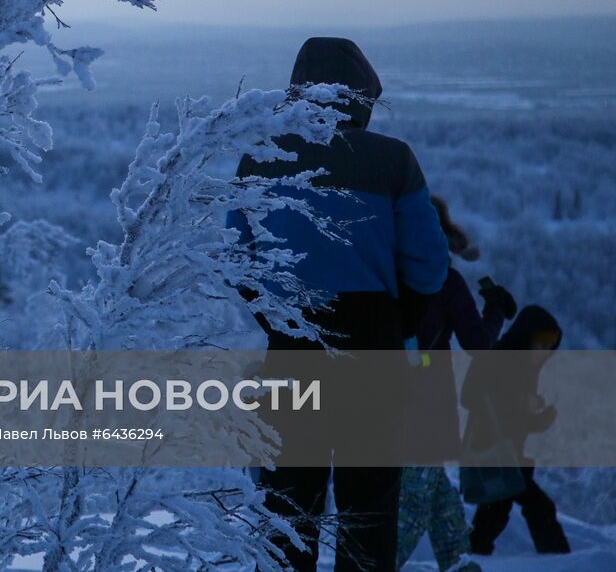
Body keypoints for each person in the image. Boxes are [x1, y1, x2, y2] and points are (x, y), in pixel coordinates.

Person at [233, 37, 452, 572]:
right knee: (367, 510)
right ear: (364, 96)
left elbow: (237, 259)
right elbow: (429, 265)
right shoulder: (393, 161)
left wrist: (274, 310)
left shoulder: (261, 158)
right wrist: (402, 316)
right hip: (375, 351)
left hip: (292, 348)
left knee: (288, 507)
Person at [395, 196, 515, 571]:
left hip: (384, 392)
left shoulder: (384, 271)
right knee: (418, 494)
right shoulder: (444, 281)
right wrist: (496, 309)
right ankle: (375, 565)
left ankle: (459, 563)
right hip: (431, 398)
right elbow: (478, 343)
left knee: (434, 490)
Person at [464, 305, 570, 556]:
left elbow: (512, 420)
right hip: (491, 451)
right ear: (526, 337)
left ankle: (469, 560)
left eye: (550, 347)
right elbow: (470, 396)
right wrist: (520, 401)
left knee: (493, 517)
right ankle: (558, 562)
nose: (545, 353)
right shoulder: (496, 357)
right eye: (541, 344)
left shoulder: (525, 369)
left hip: (506, 454)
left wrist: (539, 421)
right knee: (537, 508)